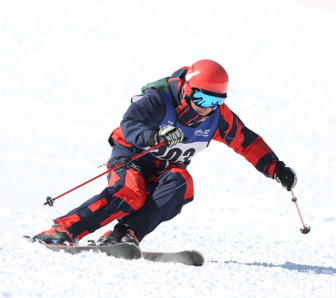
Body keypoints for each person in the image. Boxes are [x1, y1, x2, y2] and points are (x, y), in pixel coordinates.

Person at [33, 59, 297, 246]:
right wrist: (154, 136)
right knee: (130, 194)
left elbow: (247, 142)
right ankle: (63, 231)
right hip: (131, 156)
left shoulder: (218, 118)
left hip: (164, 168)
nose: (208, 108)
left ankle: (125, 234)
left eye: (217, 101)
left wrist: (276, 168)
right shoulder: (160, 99)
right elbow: (130, 124)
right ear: (188, 90)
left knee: (181, 183)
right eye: (203, 99)